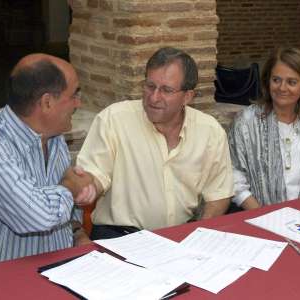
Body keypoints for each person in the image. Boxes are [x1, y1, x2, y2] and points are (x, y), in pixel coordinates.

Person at [77, 47, 234, 239]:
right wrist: (86, 186)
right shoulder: (114, 119)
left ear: (187, 97)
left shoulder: (210, 131)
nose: (154, 98)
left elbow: (218, 193)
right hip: (119, 237)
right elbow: (95, 175)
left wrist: (198, 235)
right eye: (150, 86)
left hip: (181, 235)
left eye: (166, 90)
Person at [0, 54, 97, 268]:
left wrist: (78, 234)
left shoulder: (54, 136)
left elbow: (60, 209)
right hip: (0, 278)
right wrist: (71, 186)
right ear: (47, 102)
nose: (78, 102)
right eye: (74, 94)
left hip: (61, 268)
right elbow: (37, 216)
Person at [228, 47, 300, 210]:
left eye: (291, 82)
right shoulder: (246, 122)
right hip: (254, 214)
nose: (282, 88)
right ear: (268, 82)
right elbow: (234, 177)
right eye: (276, 80)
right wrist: (264, 216)